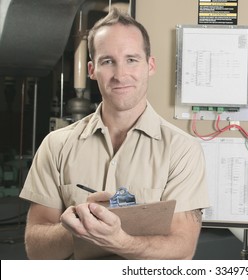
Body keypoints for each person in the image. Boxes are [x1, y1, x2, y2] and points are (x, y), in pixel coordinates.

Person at [19, 8, 210, 260]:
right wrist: (77, 227)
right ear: (91, 69)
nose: (120, 75)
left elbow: (182, 249)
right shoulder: (56, 145)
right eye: (108, 61)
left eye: (132, 59)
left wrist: (119, 240)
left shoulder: (182, 150)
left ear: (150, 65)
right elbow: (36, 249)